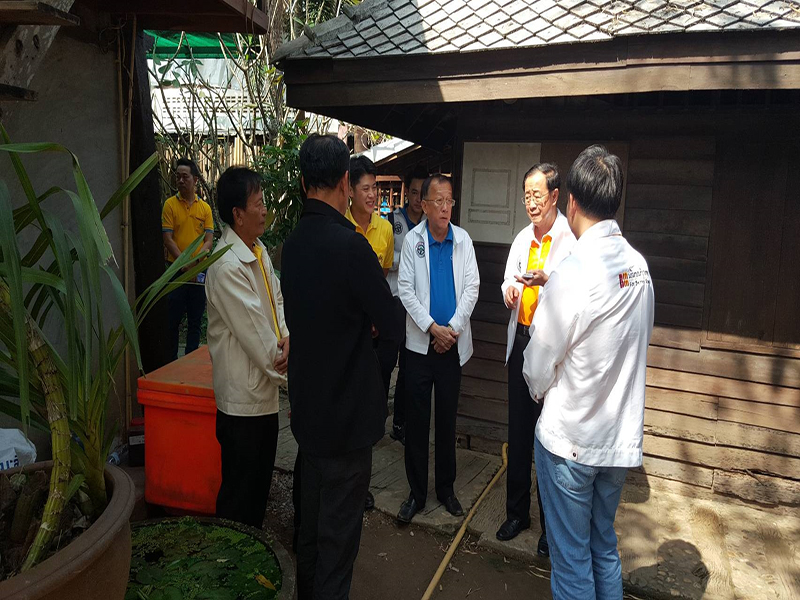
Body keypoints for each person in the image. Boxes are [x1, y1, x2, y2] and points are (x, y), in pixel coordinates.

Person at [523, 145, 654, 600]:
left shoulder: (575, 270)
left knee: (572, 561)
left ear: (572, 202)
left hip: (571, 443)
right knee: (603, 548)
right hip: (616, 442)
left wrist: (540, 389)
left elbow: (538, 363)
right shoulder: (639, 268)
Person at [281, 134, 400, 600]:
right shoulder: (351, 247)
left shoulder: (292, 245)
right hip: (347, 419)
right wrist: (374, 375)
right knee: (339, 536)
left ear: (303, 181)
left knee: (311, 526)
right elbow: (391, 324)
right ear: (346, 184)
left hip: (308, 413)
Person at [496, 163, 576, 554]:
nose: (531, 203)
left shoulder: (569, 241)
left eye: (537, 195)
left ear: (555, 196)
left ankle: (549, 526)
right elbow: (507, 279)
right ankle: (517, 513)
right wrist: (509, 291)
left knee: (549, 439)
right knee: (519, 431)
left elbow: (574, 294)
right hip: (522, 343)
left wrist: (548, 281)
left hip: (552, 353)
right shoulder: (521, 238)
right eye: (526, 195)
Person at [205, 166, 289, 529]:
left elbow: (276, 302)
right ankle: (230, 556)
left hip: (262, 393)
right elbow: (255, 334)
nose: (265, 209)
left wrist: (287, 338)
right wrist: (287, 365)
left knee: (256, 489)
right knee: (240, 494)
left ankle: (250, 548)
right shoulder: (227, 265)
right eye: (259, 203)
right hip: (242, 402)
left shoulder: (257, 250)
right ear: (238, 214)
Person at [396, 175, 480, 524]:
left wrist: (452, 329)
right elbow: (405, 289)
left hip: (452, 346)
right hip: (420, 347)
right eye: (439, 201)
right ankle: (416, 493)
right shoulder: (413, 240)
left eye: (449, 201)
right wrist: (432, 328)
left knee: (446, 420)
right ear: (425, 205)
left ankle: (446, 490)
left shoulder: (463, 241)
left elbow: (472, 287)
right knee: (417, 422)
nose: (445, 208)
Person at [344, 155, 394, 511]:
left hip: (376, 338)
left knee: (372, 409)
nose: (373, 194)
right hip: (349, 337)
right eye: (366, 188)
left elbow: (383, 277)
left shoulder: (385, 230)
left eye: (375, 188)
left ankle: (362, 485)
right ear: (349, 190)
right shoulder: (342, 227)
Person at [384, 166, 428, 445]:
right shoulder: (392, 221)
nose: (417, 198)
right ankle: (377, 418)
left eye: (422, 193)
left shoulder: (430, 225)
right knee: (387, 362)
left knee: (409, 367)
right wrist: (407, 260)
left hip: (417, 305)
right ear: (407, 193)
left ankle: (400, 422)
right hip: (394, 300)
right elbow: (386, 259)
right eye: (413, 192)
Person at [162, 157, 214, 361]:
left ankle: (190, 361)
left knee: (195, 319)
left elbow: (209, 240)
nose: (180, 181)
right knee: (172, 319)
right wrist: (184, 264)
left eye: (185, 177)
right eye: (178, 177)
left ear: (196, 180)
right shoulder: (170, 205)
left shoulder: (205, 209)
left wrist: (195, 264)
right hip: (176, 270)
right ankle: (170, 362)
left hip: (199, 270)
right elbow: (168, 239)